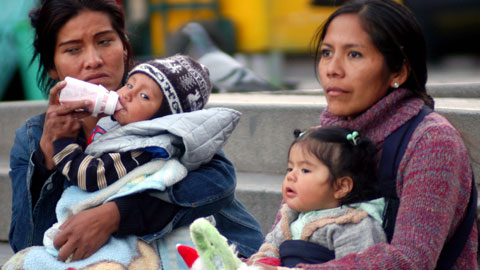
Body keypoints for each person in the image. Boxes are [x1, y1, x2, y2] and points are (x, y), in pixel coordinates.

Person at [8, 0, 263, 263]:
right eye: (73, 49)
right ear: (52, 67)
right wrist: (47, 160)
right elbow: (29, 246)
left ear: (125, 48)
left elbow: (217, 181)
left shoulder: (160, 111)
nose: (93, 61)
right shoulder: (32, 138)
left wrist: (115, 215)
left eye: (105, 42)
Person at [256, 0, 477, 269]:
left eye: (354, 55)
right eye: (326, 52)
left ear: (398, 71)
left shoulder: (432, 142)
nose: (332, 69)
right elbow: (285, 226)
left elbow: (411, 260)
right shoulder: (323, 138)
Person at [53, 54, 214, 192]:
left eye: (144, 96)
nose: (127, 94)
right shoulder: (121, 127)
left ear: (163, 119)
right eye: (129, 84)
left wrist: (62, 141)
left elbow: (91, 176)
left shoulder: (142, 148)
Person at [247, 127, 386, 267]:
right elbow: (271, 248)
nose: (291, 176)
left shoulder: (354, 226)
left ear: (341, 186)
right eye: (290, 168)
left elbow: (360, 265)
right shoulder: (290, 217)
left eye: (305, 170)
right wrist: (262, 262)